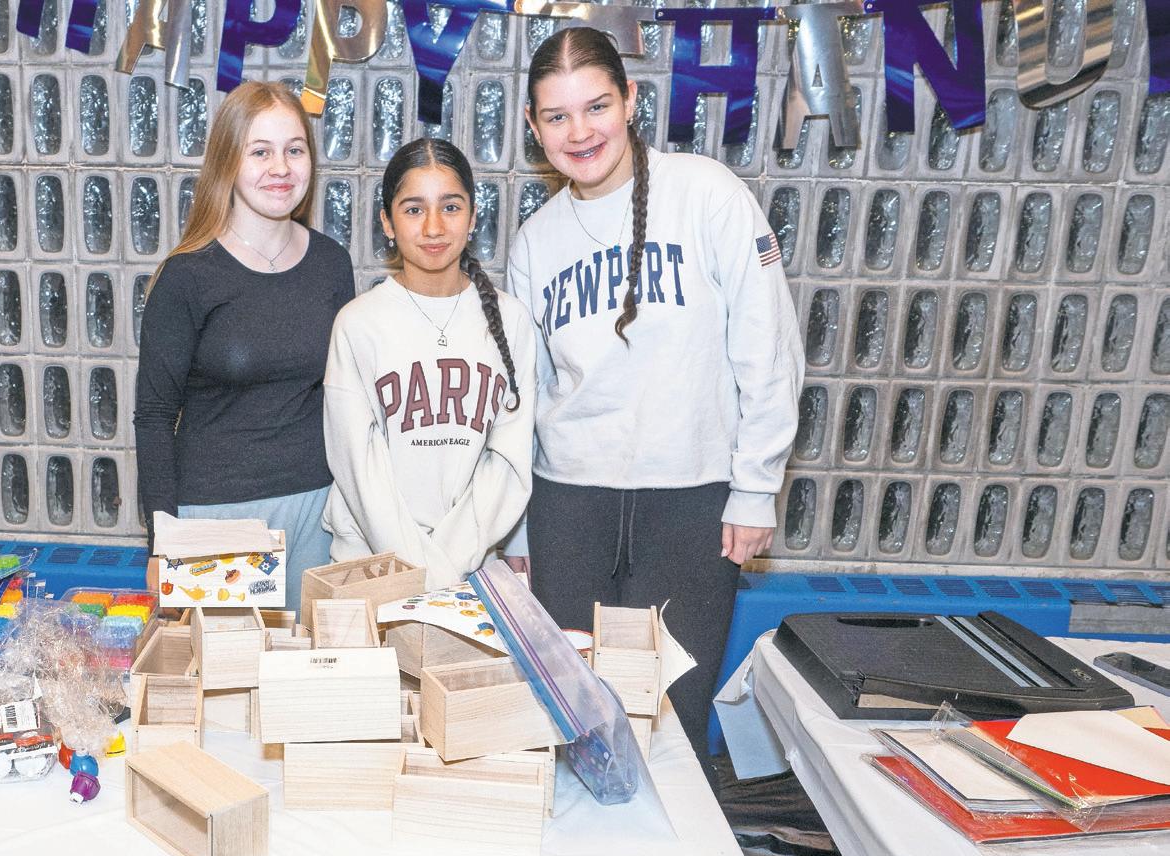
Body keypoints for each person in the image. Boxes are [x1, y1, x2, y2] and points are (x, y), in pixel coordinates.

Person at [505, 27, 805, 768]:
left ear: (630, 99)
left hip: (690, 502)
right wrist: (514, 535)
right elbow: (522, 397)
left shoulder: (706, 193)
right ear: (534, 126)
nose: (580, 132)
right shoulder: (536, 240)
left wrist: (755, 486)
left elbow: (767, 345)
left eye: (596, 106)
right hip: (567, 507)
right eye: (557, 116)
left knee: (673, 717)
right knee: (574, 722)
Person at [134, 81, 355, 608]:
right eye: (260, 152)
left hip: (318, 512)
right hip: (215, 519)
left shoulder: (332, 264)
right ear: (228, 162)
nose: (280, 168)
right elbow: (154, 416)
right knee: (225, 662)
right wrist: (162, 541)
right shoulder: (187, 276)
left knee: (312, 659)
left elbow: (344, 396)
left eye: (294, 150)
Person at [322, 138, 536, 591]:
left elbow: (508, 461)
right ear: (387, 221)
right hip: (372, 570)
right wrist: (425, 572)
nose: (434, 227)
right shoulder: (357, 324)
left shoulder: (512, 320)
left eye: (451, 207)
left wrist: (445, 565)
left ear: (473, 217)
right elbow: (358, 468)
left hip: (472, 569)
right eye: (414, 209)